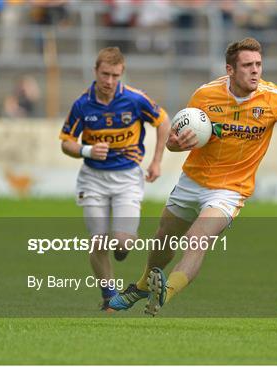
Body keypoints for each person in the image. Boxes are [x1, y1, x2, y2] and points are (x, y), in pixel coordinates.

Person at [108, 37, 277, 315]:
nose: (255, 71)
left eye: (259, 64)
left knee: (197, 239)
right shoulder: (205, 95)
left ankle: (167, 292)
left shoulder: (274, 98)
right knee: (165, 237)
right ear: (230, 69)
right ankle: (143, 285)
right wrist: (174, 144)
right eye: (248, 65)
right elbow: (176, 138)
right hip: (193, 180)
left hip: (229, 190)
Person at [59, 47, 169, 311]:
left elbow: (163, 122)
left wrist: (156, 160)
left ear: (121, 74)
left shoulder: (135, 99)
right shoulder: (82, 104)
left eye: (115, 75)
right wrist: (87, 150)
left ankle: (120, 246)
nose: (109, 81)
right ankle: (109, 295)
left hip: (128, 178)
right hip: (92, 179)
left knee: (122, 242)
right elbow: (66, 143)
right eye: (105, 74)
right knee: (97, 239)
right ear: (95, 71)